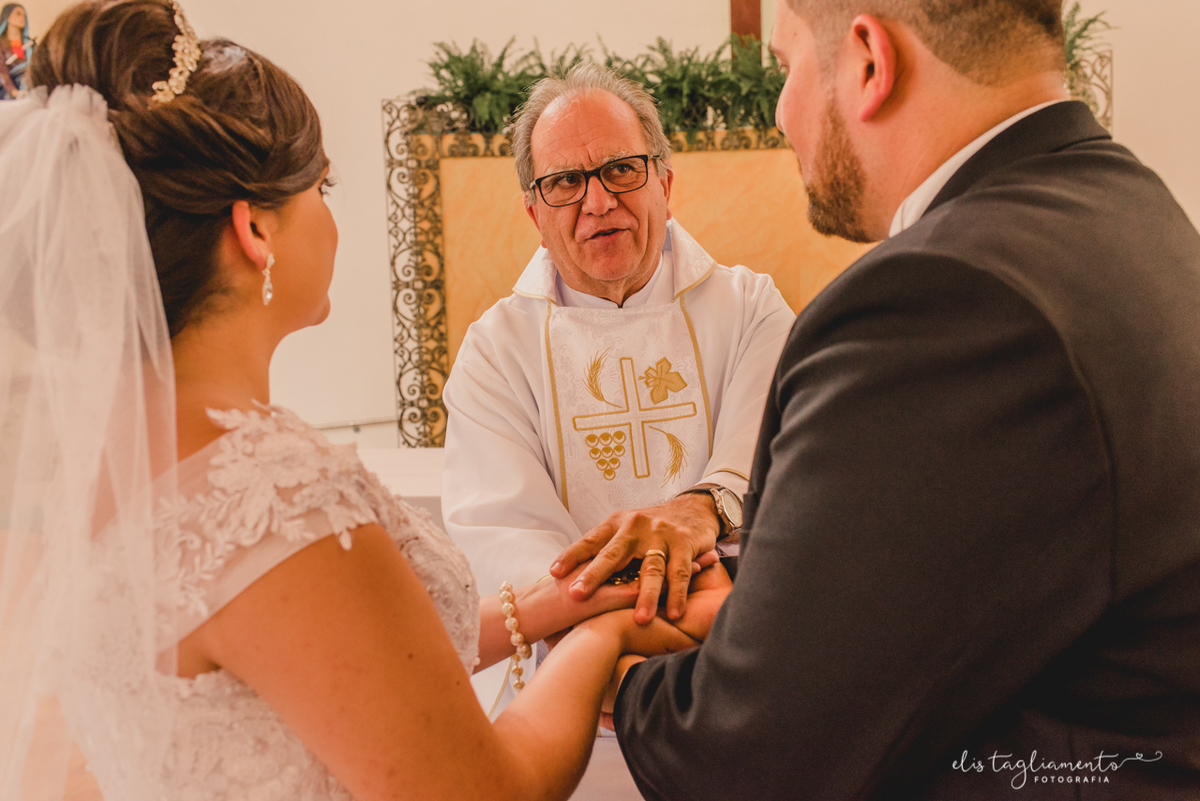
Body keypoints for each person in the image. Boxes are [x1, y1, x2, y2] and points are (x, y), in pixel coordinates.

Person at [0, 2, 727, 800]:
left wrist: (568, 598)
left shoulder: (96, 466)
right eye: (323, 185)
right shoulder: (275, 496)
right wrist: (607, 634)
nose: (331, 215)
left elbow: (339, 657)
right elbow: (487, 789)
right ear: (256, 231)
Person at [555, 1, 1200, 798]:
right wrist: (762, 606)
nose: (781, 112)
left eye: (786, 66)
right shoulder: (1137, 213)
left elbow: (758, 754)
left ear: (868, 60)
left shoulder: (938, 296)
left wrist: (611, 670)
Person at [441, 64, 795, 667]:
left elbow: (776, 467)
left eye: (622, 169)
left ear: (664, 183)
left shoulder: (752, 310)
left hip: (735, 653)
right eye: (565, 182)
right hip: (577, 672)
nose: (599, 202)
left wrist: (699, 515)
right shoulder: (495, 353)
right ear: (534, 214)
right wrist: (608, 659)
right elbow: (506, 537)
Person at [0, 4, 32, 99]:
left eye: (24, 15)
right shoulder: (2, 45)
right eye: (18, 14)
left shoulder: (30, 44)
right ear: (7, 16)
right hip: (10, 88)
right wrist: (14, 92)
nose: (22, 17)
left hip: (31, 84)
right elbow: (2, 71)